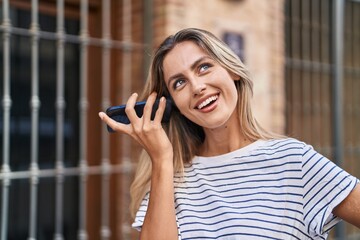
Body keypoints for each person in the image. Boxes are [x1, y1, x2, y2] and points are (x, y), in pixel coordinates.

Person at [99, 28, 360, 240]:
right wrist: (162, 160)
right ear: (172, 105)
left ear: (232, 70)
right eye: (179, 83)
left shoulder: (293, 161)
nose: (198, 87)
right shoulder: (168, 178)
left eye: (203, 67)